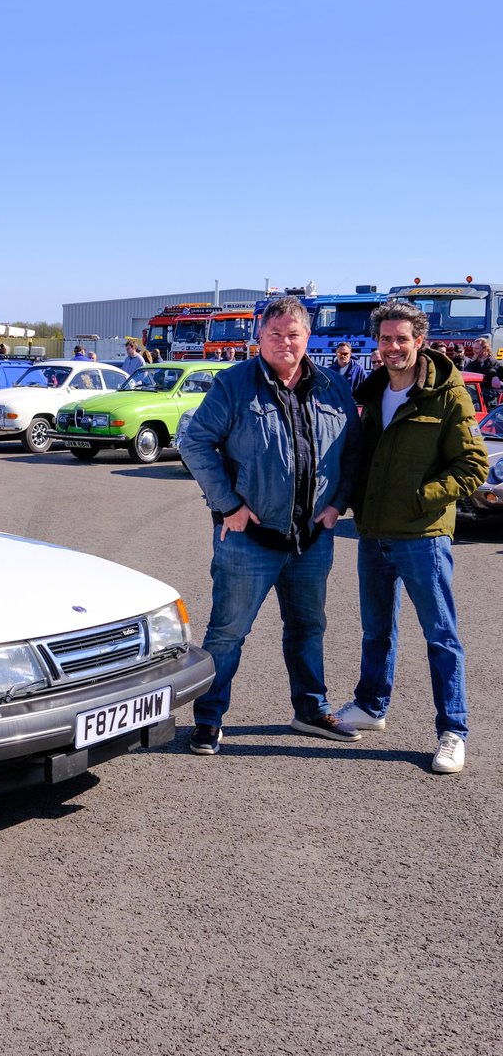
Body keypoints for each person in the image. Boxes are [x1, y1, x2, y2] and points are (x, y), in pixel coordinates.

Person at [179, 294, 362, 755]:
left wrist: (337, 504)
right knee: (227, 633)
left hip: (312, 539)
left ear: (308, 338)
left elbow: (354, 453)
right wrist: (228, 506)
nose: (284, 342)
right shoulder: (235, 385)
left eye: (293, 334)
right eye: (275, 334)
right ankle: (208, 719)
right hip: (249, 539)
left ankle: (310, 710)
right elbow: (196, 443)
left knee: (307, 628)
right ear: (260, 336)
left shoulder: (333, 387)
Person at [336, 300, 489, 774]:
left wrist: (423, 497)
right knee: (376, 629)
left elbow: (474, 465)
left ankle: (453, 730)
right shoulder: (373, 391)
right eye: (386, 339)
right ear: (376, 343)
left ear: (419, 341)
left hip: (422, 535)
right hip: (375, 533)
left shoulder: (447, 394)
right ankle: (371, 706)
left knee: (441, 634)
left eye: (402, 339)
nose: (393, 347)